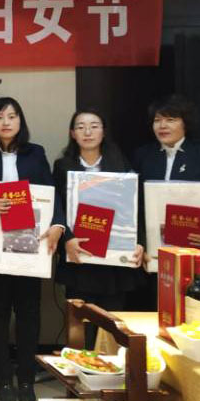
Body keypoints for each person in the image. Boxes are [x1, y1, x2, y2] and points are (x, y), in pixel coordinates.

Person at [0, 97, 64, 401]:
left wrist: (58, 225)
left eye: (12, 116)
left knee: (28, 314)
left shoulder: (35, 153)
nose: (6, 122)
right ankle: (4, 379)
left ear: (20, 121)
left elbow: (52, 194)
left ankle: (25, 379)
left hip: (29, 248)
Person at [132, 95, 200, 304]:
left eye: (170, 119)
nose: (162, 125)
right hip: (151, 253)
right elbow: (135, 206)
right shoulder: (142, 155)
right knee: (152, 309)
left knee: (191, 308)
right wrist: (140, 244)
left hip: (194, 249)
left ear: (185, 123)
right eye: (157, 120)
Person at [53, 109, 144, 348]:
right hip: (79, 257)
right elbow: (57, 206)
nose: (88, 132)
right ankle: (78, 369)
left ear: (103, 132)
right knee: (80, 325)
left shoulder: (121, 165)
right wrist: (67, 239)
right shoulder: (63, 166)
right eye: (81, 126)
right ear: (72, 133)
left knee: (111, 327)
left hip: (113, 264)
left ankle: (110, 367)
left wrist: (139, 242)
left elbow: (135, 208)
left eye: (94, 126)